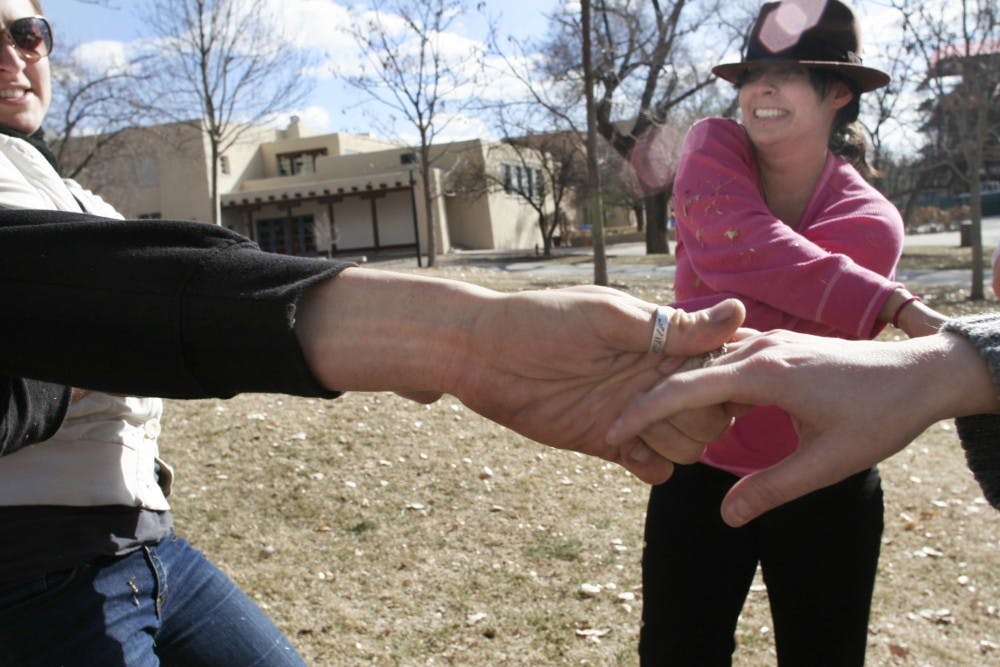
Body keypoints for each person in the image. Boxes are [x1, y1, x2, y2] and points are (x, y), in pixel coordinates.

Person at [0, 3, 744, 663]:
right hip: (32, 575)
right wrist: (452, 337)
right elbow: (104, 311)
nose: (13, 55)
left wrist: (419, 341)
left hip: (149, 549)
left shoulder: (81, 200)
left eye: (28, 32)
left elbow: (158, 290)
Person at [636, 1, 947, 664]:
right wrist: (888, 304)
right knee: (676, 651)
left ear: (838, 91)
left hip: (824, 473)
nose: (760, 90)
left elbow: (767, 334)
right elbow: (738, 250)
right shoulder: (710, 146)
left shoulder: (872, 221)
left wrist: (750, 283)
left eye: (787, 73)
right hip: (696, 462)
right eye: (752, 74)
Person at [605, 317, 1000, 523]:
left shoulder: (862, 206)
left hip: (836, 475)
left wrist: (942, 367)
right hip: (695, 468)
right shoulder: (707, 170)